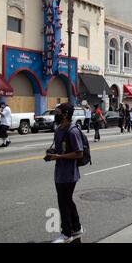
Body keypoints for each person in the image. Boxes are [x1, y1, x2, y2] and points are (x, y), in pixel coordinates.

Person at [45, 103, 84, 243]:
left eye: (58, 112)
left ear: (65, 114)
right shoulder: (59, 129)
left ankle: (66, 233)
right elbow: (61, 149)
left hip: (69, 174)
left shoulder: (72, 131)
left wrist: (59, 157)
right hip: (60, 173)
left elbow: (79, 153)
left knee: (64, 202)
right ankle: (77, 227)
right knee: (67, 201)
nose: (55, 114)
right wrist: (53, 153)